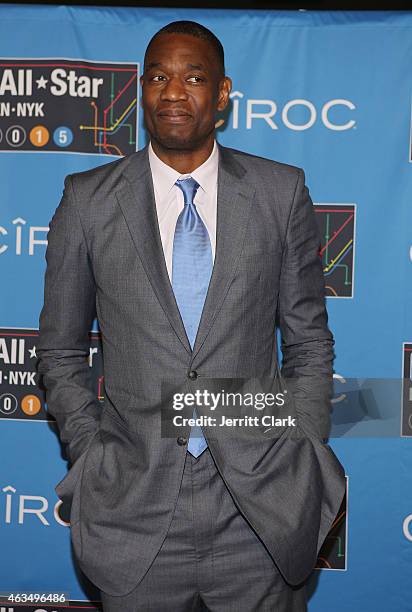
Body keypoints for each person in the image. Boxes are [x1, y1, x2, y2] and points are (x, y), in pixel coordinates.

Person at [36, 20, 345, 612]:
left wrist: (304, 449)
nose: (174, 92)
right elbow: (59, 349)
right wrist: (91, 449)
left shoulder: (280, 193)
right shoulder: (87, 200)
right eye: (158, 77)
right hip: (134, 501)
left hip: (259, 504)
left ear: (222, 94)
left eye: (194, 77)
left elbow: (308, 341)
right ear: (142, 89)